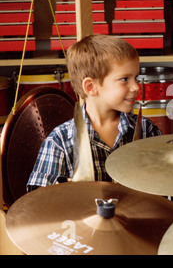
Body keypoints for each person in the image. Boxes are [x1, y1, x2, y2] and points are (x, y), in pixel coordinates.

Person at [27, 34, 161, 191]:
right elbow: (37, 203)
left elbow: (166, 188)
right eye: (124, 79)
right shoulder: (60, 141)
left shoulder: (147, 130)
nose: (136, 87)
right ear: (91, 87)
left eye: (136, 78)